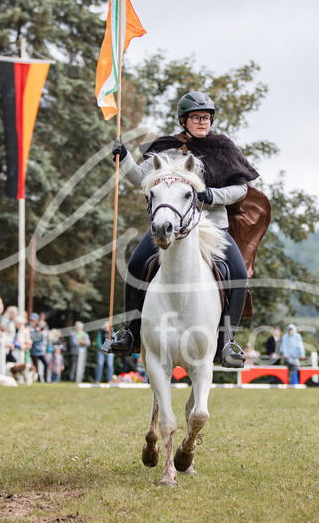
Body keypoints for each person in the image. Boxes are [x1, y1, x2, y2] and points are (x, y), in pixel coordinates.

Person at [102, 91, 260, 368]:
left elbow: (241, 189)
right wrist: (124, 158)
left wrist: (212, 195)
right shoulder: (165, 150)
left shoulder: (223, 148)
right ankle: (130, 332)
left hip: (212, 227)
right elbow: (143, 179)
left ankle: (228, 341)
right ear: (184, 120)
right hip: (169, 228)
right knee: (135, 267)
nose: (203, 122)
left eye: (207, 117)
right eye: (197, 117)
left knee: (238, 275)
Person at [29, 313, 48, 382]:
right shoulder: (30, 328)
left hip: (40, 350)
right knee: (35, 366)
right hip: (34, 351)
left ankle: (45, 378)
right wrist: (38, 332)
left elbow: (43, 337)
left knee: (46, 364)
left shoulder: (39, 327)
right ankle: (37, 379)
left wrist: (41, 331)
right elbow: (33, 337)